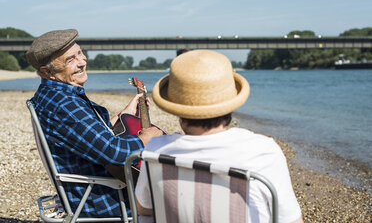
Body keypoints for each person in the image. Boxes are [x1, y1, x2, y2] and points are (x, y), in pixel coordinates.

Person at [134, 50, 303, 222]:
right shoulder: (263, 153)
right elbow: (292, 220)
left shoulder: (156, 151)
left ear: (177, 108)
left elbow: (144, 208)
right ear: (229, 105)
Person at [26, 29, 163, 217]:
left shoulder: (55, 95)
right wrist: (147, 139)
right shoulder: (64, 105)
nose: (82, 62)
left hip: (96, 186)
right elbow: (115, 152)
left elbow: (87, 133)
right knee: (178, 200)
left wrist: (125, 114)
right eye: (70, 60)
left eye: (80, 53)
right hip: (103, 198)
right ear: (47, 71)